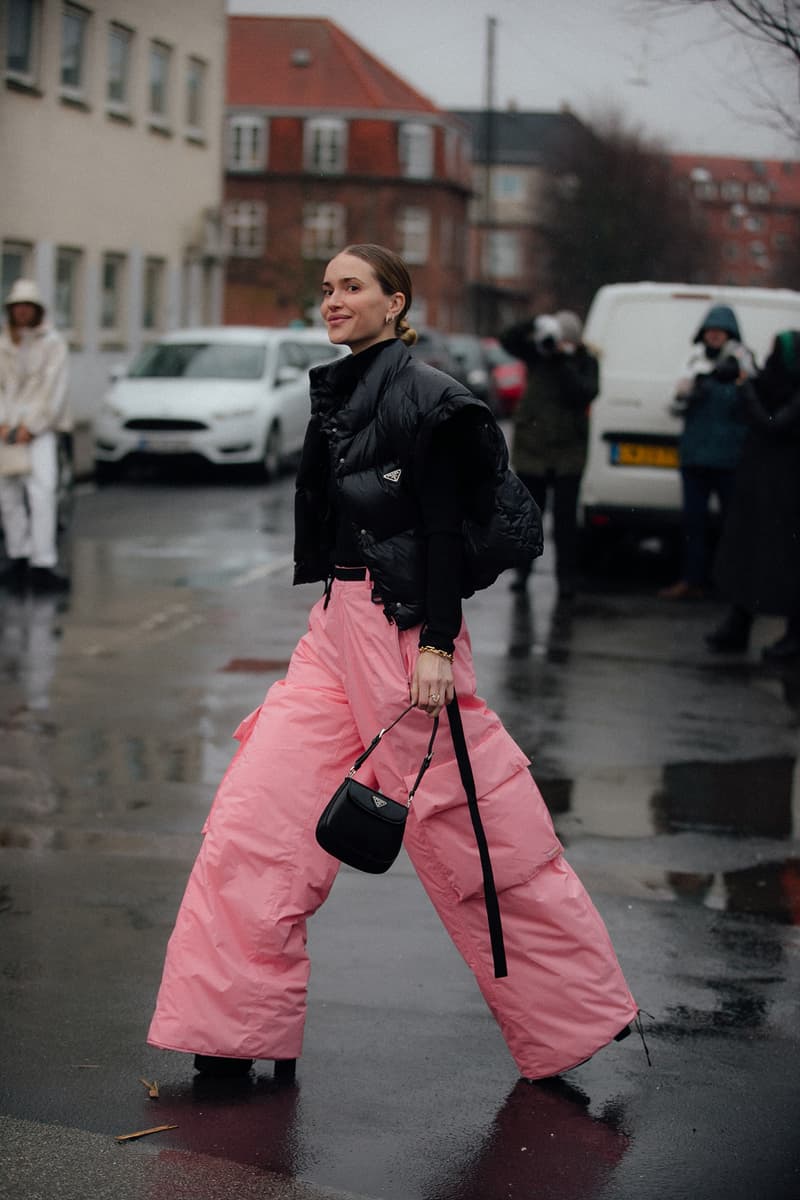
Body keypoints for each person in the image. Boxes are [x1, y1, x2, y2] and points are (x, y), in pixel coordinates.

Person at [147, 245, 638, 1083]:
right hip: (332, 628)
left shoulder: (429, 398)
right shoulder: (339, 391)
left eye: (352, 287)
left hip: (406, 637)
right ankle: (232, 1034)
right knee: (254, 825)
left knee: (482, 842)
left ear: (395, 302)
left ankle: (577, 1016)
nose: (332, 299)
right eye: (327, 287)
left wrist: (440, 645)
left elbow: (444, 529)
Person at [706, 330, 800, 659]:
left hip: (786, 491)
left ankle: (794, 634)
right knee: (746, 553)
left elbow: (773, 423)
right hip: (758, 484)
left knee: (783, 562)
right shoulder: (775, 382)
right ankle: (739, 621)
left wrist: (746, 388)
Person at [499, 309, 598, 597]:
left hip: (569, 452)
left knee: (566, 521)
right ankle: (523, 573)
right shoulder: (537, 354)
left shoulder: (585, 362)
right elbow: (509, 339)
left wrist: (563, 361)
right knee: (529, 516)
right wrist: (535, 324)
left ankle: (567, 577)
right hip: (534, 449)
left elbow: (583, 393)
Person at [659, 305, 754, 600]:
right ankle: (692, 580)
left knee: (732, 526)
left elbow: (755, 404)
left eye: (720, 331)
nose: (714, 336)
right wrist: (688, 394)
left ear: (729, 334)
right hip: (696, 457)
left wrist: (738, 383)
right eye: (710, 331)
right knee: (693, 525)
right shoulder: (693, 360)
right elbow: (673, 406)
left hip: (730, 458)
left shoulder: (743, 360)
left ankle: (733, 584)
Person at [0, 279, 71, 593]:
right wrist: (3, 423)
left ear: (37, 310)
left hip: (38, 431)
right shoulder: (3, 343)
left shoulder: (53, 343)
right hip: (5, 428)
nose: (22, 312)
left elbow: (54, 389)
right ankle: (18, 554)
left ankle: (43, 561)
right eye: (18, 307)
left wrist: (34, 426)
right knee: (8, 494)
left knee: (42, 492)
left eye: (28, 306)